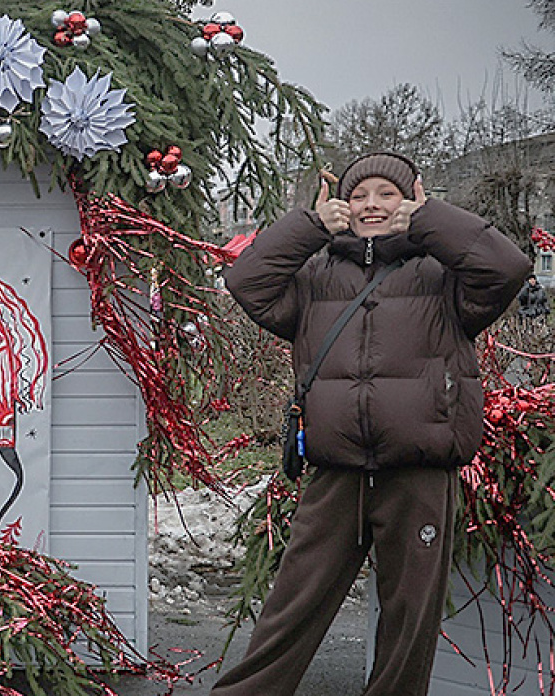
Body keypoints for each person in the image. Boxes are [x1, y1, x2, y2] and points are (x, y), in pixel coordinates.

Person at [215, 152, 530, 696]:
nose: (372, 205)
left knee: (409, 621)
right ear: (343, 204)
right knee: (291, 608)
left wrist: (431, 220)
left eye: (387, 193)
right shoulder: (315, 277)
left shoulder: (445, 278)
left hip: (419, 473)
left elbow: (508, 268)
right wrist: (310, 226)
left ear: (411, 197)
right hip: (335, 472)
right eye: (360, 195)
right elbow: (246, 281)